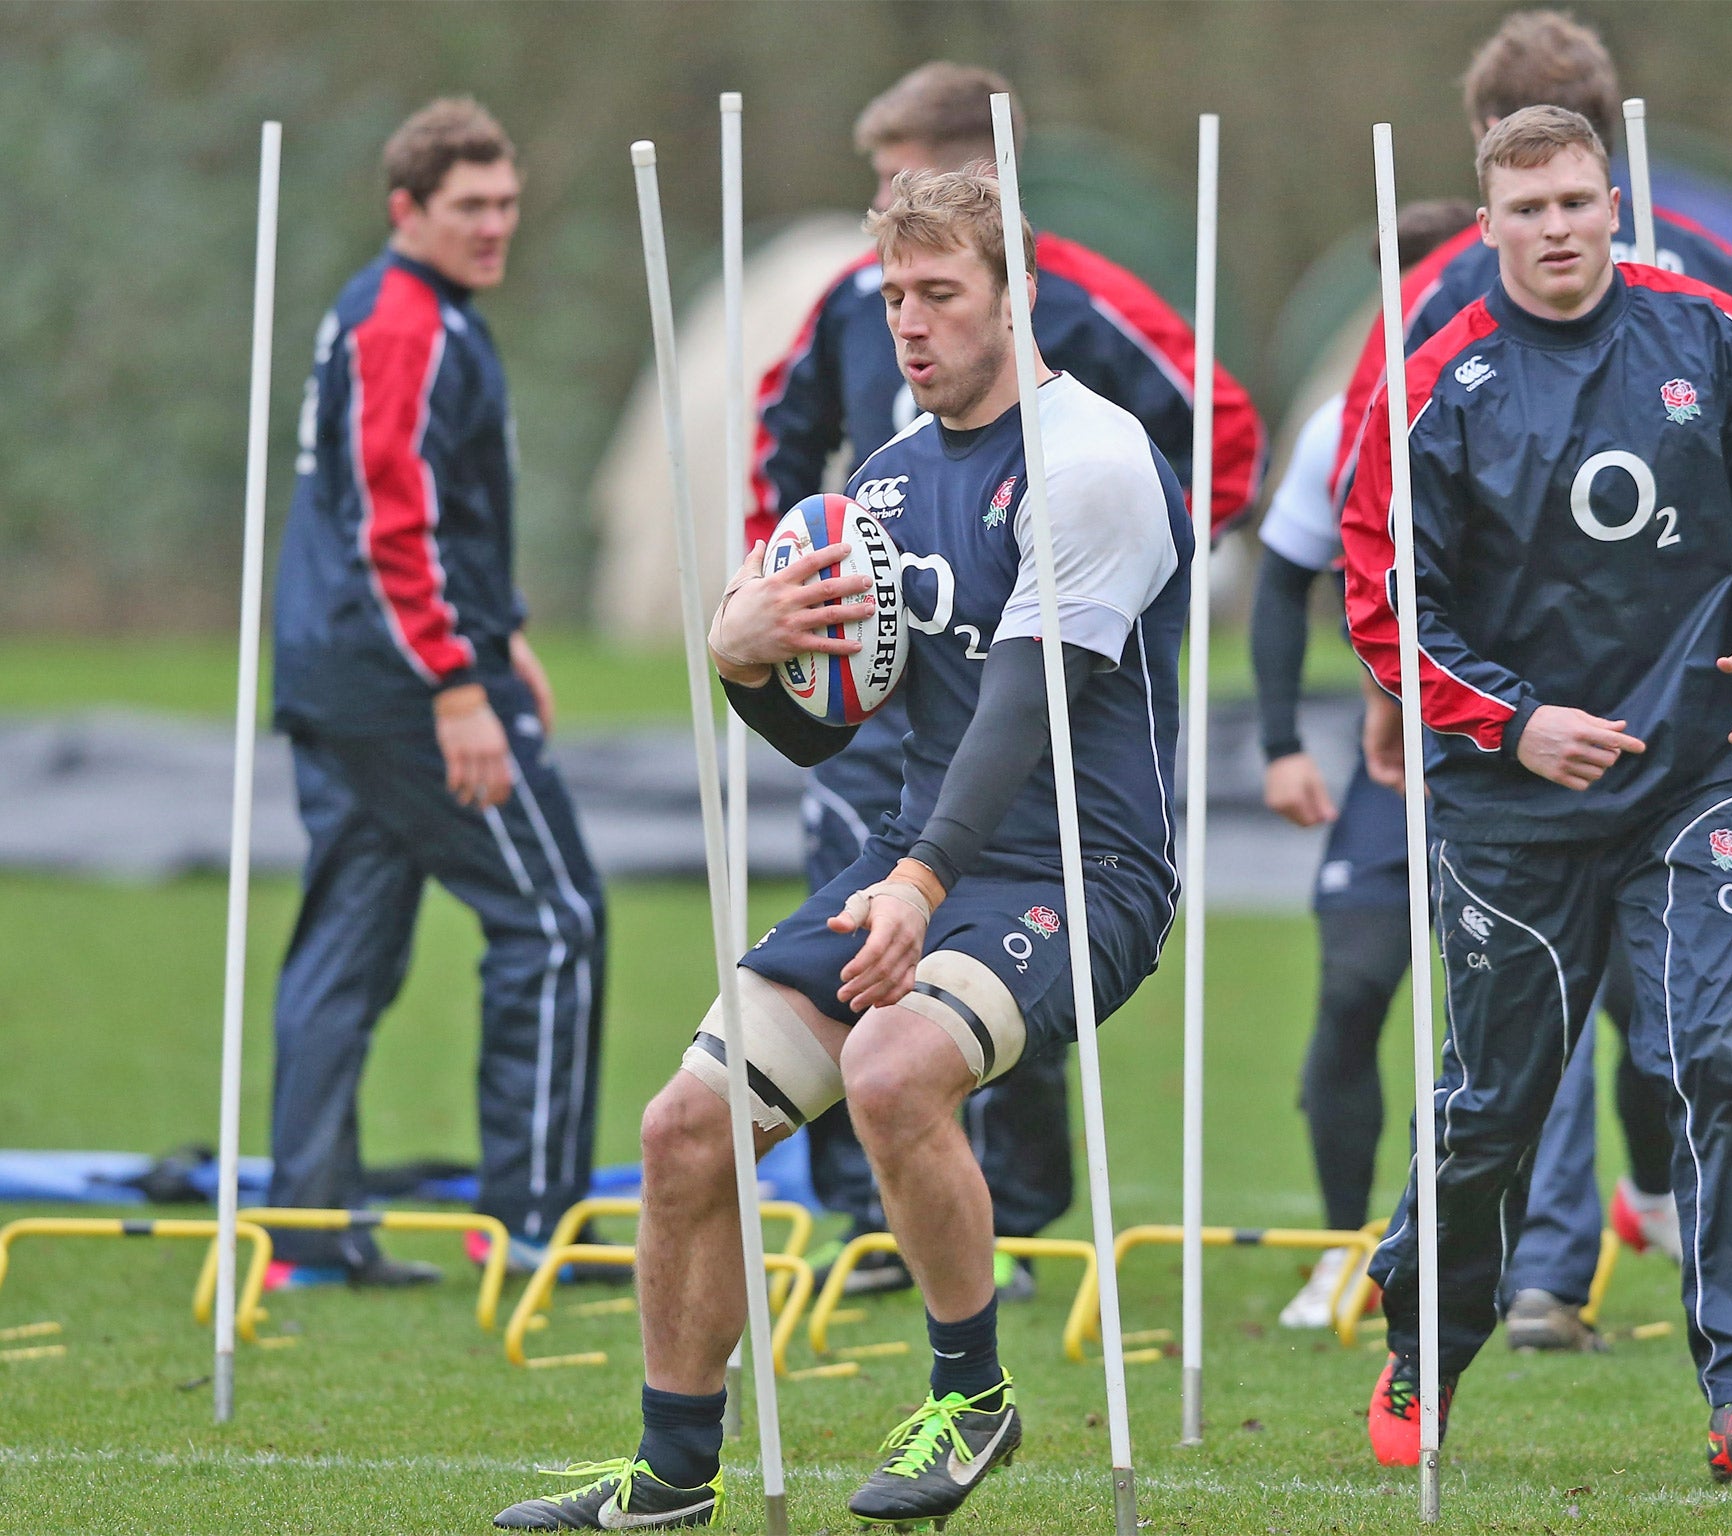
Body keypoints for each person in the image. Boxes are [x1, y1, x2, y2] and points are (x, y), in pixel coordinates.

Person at [496, 169, 1191, 1532]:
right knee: (686, 1128)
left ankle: (971, 1398)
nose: (913, 326)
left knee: (891, 1066)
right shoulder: (877, 487)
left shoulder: (1093, 464)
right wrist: (739, 661)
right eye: (895, 299)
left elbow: (1015, 713)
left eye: (943, 295)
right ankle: (670, 1477)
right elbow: (829, 740)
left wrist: (917, 887)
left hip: (1081, 874)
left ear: (1017, 300)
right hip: (922, 859)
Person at [1342, 8, 1732, 1342]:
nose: (1555, 224)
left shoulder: (1705, 295)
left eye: (1579, 199)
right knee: (1516, 1061)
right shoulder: (1435, 319)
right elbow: (1375, 541)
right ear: (1490, 190)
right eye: (1528, 202)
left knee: (1717, 1021)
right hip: (1515, 756)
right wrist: (1435, 698)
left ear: (1608, 179)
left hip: (1693, 741)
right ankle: (1521, 1281)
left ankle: (1721, 1301)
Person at [752, 60, 1264, 1298]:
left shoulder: (1092, 340)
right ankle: (868, 1216)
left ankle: (1017, 1221)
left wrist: (1115, 572)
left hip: (1057, 726)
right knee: (830, 975)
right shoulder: (852, 325)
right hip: (898, 676)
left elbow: (1226, 427)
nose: (909, 299)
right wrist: (780, 607)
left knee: (964, 981)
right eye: (886, 196)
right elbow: (787, 438)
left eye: (931, 197)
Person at [267, 99, 608, 1288]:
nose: (495, 226)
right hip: (400, 684)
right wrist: (458, 682)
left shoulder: (419, 315)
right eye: (470, 207)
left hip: (344, 669)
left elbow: (435, 517)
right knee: (555, 918)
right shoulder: (404, 323)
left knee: (346, 948)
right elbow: (388, 527)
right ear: (405, 209)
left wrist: (500, 633)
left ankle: (308, 1233)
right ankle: (534, 1225)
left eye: (508, 204)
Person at [1252, 199, 1471, 1328]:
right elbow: (1284, 575)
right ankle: (1346, 1244)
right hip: (1393, 759)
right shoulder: (1347, 414)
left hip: (1533, 756)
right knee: (1348, 994)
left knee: (1611, 1008)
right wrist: (1282, 741)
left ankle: (1609, 1218)